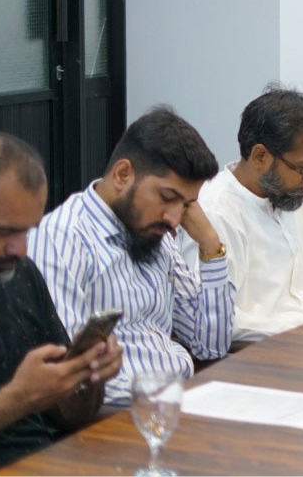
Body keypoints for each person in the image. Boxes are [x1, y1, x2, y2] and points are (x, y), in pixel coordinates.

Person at [27, 106, 232, 405]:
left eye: (187, 205)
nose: (175, 218)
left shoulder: (153, 233)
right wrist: (170, 400)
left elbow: (211, 346)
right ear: (123, 174)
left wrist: (211, 246)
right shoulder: (63, 239)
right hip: (124, 417)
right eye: (167, 198)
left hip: (177, 402)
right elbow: (75, 375)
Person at [0, 134, 123, 473]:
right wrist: (18, 398)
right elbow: (24, 399)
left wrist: (87, 374)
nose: (20, 250)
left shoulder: (21, 276)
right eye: (3, 232)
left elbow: (70, 416)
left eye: (28, 231)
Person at [194, 86, 303, 343]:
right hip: (268, 357)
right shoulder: (215, 212)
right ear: (260, 156)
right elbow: (220, 320)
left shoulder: (292, 193)